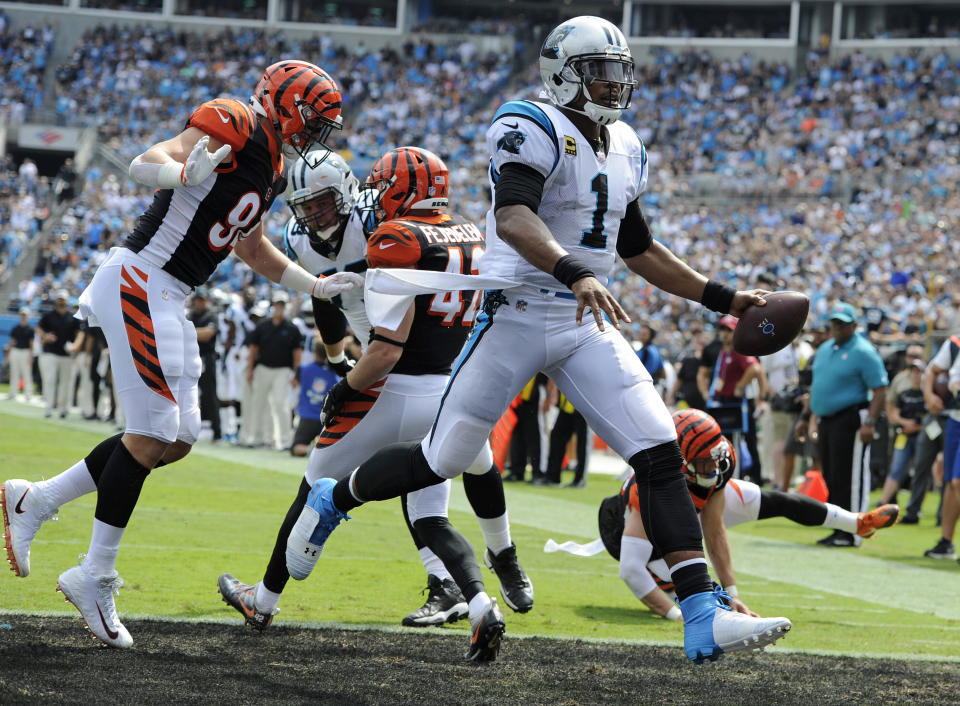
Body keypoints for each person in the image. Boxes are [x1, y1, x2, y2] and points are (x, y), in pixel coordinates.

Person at [285, 16, 792, 664]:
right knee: (441, 459)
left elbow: (636, 247)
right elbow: (514, 215)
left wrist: (722, 297)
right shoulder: (529, 123)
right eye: (599, 72)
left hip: (584, 320)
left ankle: (700, 612)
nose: (614, 84)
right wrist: (575, 270)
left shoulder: (625, 144)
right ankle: (336, 497)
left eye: (618, 71)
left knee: (660, 449)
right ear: (563, 73)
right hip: (517, 311)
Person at [0, 60, 364, 648]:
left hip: (171, 294)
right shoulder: (239, 120)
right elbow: (148, 161)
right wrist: (181, 171)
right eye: (314, 121)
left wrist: (314, 286)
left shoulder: (270, 165)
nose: (317, 135)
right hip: (142, 278)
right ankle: (93, 573)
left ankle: (34, 499)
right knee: (148, 434)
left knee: (176, 438)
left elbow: (252, 246)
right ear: (287, 106)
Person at [218, 147, 531, 635]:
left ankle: (264, 597)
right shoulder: (467, 232)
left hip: (388, 372)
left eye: (325, 202)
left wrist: (345, 382)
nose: (315, 215)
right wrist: (339, 355)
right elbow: (325, 293)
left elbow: (386, 343)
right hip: (446, 383)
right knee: (442, 496)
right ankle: (485, 583)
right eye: (308, 206)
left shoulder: (389, 233)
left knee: (316, 486)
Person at [593, 409, 900, 619]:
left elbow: (714, 532)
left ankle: (857, 523)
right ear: (682, 462)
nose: (715, 466)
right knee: (701, 596)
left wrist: (733, 590)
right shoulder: (650, 491)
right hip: (649, 536)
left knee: (779, 501)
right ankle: (705, 608)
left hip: (693, 505)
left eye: (715, 456)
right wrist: (676, 616)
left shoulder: (714, 466)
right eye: (704, 461)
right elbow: (631, 569)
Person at [795, 302, 888, 548]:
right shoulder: (825, 349)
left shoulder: (864, 351)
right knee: (833, 476)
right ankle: (839, 528)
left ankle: (855, 530)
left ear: (854, 326)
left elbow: (880, 390)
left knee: (851, 476)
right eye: (834, 323)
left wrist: (870, 422)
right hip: (827, 419)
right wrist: (806, 417)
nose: (837, 327)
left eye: (843, 324)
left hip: (852, 417)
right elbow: (817, 387)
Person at [706, 314, 768, 484]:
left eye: (729, 330)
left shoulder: (739, 350)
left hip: (737, 404)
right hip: (724, 403)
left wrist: (741, 386)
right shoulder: (723, 351)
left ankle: (746, 478)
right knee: (726, 442)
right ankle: (731, 476)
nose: (724, 333)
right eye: (722, 329)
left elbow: (756, 369)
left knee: (744, 442)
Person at [246, 290, 303, 450]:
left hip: (282, 370)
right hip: (263, 368)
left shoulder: (292, 328)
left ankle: (285, 441)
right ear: (273, 306)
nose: (279, 307)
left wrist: (295, 374)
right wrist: (250, 370)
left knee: (280, 404)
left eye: (282, 305)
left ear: (285, 307)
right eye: (277, 304)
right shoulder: (262, 326)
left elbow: (297, 354)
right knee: (258, 404)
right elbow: (253, 349)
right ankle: (257, 438)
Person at [921, 338, 960, 560]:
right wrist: (929, 395)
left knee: (957, 481)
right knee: (950, 483)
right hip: (955, 418)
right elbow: (932, 371)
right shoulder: (955, 343)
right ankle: (946, 542)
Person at [879, 356, 926, 505]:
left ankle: (914, 508)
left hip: (923, 437)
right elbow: (894, 413)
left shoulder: (928, 393)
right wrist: (906, 423)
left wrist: (918, 426)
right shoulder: (905, 392)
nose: (916, 375)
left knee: (921, 472)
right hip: (904, 435)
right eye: (913, 371)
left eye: (919, 372)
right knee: (896, 468)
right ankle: (883, 503)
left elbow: (932, 416)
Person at [290, 340, 340, 457]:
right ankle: (319, 448)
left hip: (307, 417)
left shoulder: (303, 369)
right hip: (325, 419)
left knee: (296, 448)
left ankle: (310, 449)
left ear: (315, 352)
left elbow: (294, 384)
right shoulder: (334, 374)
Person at [37, 289, 81, 418]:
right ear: (56, 300)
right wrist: (45, 336)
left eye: (63, 299)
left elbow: (79, 334)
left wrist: (74, 346)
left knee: (65, 383)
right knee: (50, 381)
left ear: (66, 301)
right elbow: (39, 328)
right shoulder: (48, 316)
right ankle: (49, 408)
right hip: (51, 353)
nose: (61, 301)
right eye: (59, 299)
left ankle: (62, 409)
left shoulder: (72, 318)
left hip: (66, 355)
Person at [187, 286, 221, 442]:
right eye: (197, 300)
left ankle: (217, 432)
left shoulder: (211, 315)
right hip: (191, 355)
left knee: (210, 394)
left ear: (207, 300)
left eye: (202, 300)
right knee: (188, 393)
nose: (199, 303)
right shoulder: (191, 314)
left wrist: (188, 330)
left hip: (207, 356)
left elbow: (207, 334)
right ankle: (187, 428)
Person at [5, 307, 34, 400]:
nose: (23, 316)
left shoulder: (30, 329)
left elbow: (31, 344)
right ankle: (13, 393)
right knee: (14, 373)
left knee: (26, 373)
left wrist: (31, 356)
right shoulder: (15, 328)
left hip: (25, 352)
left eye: (24, 315)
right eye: (22, 314)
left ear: (27, 316)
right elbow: (11, 341)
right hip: (15, 351)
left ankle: (28, 394)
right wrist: (8, 354)